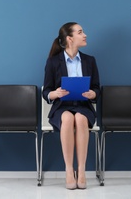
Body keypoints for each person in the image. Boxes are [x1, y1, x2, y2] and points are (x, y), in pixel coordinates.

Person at [42, 22, 100, 190]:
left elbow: (97, 88)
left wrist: (93, 94)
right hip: (61, 106)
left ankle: (81, 170)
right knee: (67, 118)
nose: (85, 35)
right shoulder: (53, 62)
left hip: (83, 106)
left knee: (81, 119)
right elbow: (46, 91)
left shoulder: (90, 61)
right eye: (80, 32)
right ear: (69, 38)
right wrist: (56, 93)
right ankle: (69, 170)